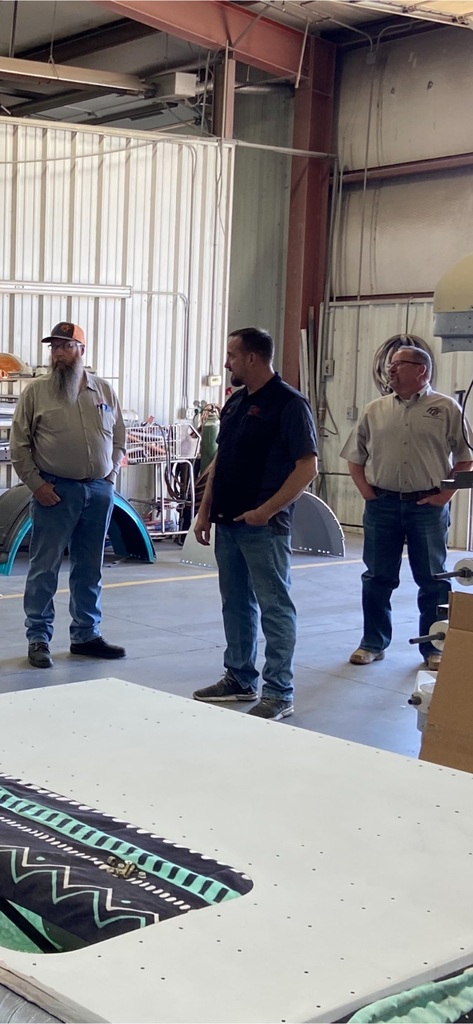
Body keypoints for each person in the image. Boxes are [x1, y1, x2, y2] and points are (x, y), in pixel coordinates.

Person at [192, 327, 318, 720]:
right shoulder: (235, 403)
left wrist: (266, 511)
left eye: (231, 355)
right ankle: (239, 678)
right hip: (228, 522)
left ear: (251, 357)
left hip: (264, 528)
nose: (226, 362)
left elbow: (307, 468)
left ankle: (279, 692)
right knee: (236, 604)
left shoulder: (289, 404)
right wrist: (204, 510)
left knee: (274, 607)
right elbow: (221, 461)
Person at [340, 346, 473, 671]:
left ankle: (434, 647)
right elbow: (355, 457)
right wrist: (367, 493)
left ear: (421, 370)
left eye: (398, 364)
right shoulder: (375, 409)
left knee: (433, 579)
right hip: (382, 505)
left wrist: (444, 496)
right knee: (377, 577)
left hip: (426, 507)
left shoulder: (446, 408)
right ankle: (372, 643)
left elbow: (465, 459)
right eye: (391, 364)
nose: (391, 369)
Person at [10, 322, 127, 669]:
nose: (58, 353)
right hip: (55, 493)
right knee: (44, 567)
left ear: (82, 350)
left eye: (66, 346)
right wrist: (37, 485)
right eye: (55, 347)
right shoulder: (36, 393)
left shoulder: (103, 391)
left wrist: (110, 477)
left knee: (89, 568)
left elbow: (120, 438)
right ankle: (38, 638)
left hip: (99, 492)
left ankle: (86, 636)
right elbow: (19, 445)